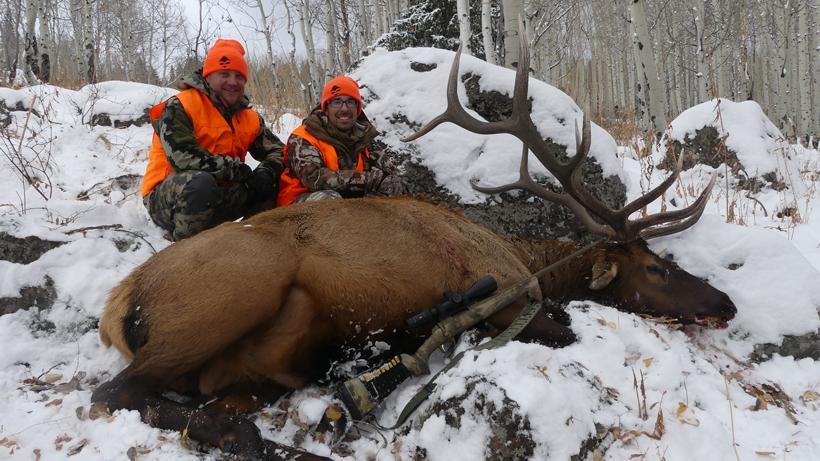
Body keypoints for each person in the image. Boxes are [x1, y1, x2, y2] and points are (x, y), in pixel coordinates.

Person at [141, 39, 285, 241]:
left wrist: (266, 172)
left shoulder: (250, 118)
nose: (232, 82)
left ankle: (251, 243)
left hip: (219, 194)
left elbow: (279, 152)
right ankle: (186, 251)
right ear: (208, 76)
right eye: (224, 74)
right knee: (200, 183)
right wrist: (239, 171)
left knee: (270, 182)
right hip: (171, 197)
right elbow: (183, 158)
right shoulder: (180, 106)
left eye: (239, 76)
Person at [277, 75, 408, 205]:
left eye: (350, 102)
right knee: (328, 199)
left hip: (348, 209)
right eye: (337, 102)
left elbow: (391, 172)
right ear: (326, 108)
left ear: (357, 109)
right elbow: (314, 178)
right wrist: (368, 180)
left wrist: (395, 183)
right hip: (299, 208)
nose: (344, 109)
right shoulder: (303, 137)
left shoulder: (364, 137)